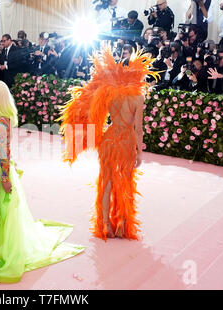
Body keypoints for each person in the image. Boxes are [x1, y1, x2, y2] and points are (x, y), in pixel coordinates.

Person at [0, 80, 84, 283]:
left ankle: (2, 251)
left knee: (2, 211)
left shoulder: (0, 121)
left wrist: (5, 178)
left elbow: (3, 153)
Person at [59, 46, 156, 240]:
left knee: (107, 182)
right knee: (125, 181)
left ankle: (104, 225)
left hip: (109, 138)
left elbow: (95, 114)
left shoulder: (110, 93)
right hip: (126, 141)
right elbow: (138, 129)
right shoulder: (138, 97)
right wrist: (139, 152)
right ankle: (121, 225)